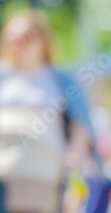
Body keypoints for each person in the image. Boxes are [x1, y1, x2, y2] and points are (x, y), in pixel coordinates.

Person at [0, 9, 96, 162]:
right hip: (6, 171)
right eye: (13, 39)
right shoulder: (4, 77)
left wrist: (74, 155)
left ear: (42, 39)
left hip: (50, 170)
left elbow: (81, 124)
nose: (20, 44)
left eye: (26, 37)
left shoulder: (61, 79)